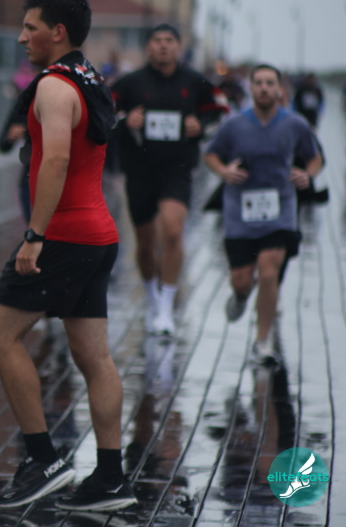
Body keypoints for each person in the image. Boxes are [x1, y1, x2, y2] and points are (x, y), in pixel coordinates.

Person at [0, 0, 137, 512]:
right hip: (99, 235)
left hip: (65, 235)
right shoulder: (90, 78)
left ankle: (43, 459)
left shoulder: (53, 85)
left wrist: (35, 235)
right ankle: (110, 478)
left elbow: (56, 160)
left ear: (58, 32)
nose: (22, 37)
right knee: (94, 356)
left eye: (30, 27)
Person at [111, 24, 227, 336]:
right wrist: (126, 120)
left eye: (169, 41)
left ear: (178, 46)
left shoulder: (195, 82)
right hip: (139, 170)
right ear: (148, 47)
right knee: (145, 243)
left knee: (173, 233)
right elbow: (103, 115)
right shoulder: (131, 82)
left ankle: (166, 307)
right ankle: (151, 296)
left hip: (177, 169)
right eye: (157, 41)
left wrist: (199, 126)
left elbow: (219, 113)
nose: (163, 46)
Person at [203, 64, 322, 365]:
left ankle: (262, 341)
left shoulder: (295, 124)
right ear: (251, 88)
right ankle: (241, 296)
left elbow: (315, 157)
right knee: (242, 280)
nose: (265, 88)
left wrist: (308, 175)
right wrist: (224, 171)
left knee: (269, 272)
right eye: (259, 83)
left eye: (270, 83)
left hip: (280, 210)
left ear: (279, 88)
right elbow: (211, 154)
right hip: (239, 212)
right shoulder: (234, 124)